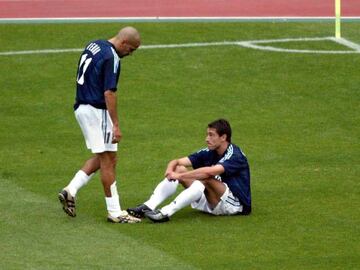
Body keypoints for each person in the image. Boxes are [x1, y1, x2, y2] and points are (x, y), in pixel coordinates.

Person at [58, 26, 141, 223]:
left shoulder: (94, 44)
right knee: (108, 161)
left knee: (105, 156)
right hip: (96, 110)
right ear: (123, 43)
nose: (130, 54)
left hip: (81, 107)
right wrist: (116, 124)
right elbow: (109, 93)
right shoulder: (112, 57)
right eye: (130, 50)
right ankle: (115, 212)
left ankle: (71, 189)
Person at [127, 119, 251, 223]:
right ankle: (148, 206)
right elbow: (177, 161)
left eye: (211, 135)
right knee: (179, 169)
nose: (207, 139)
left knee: (204, 177)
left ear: (223, 137)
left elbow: (209, 172)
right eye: (207, 134)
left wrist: (181, 176)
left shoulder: (235, 155)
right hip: (212, 200)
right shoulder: (209, 151)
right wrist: (170, 171)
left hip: (234, 205)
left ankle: (165, 213)